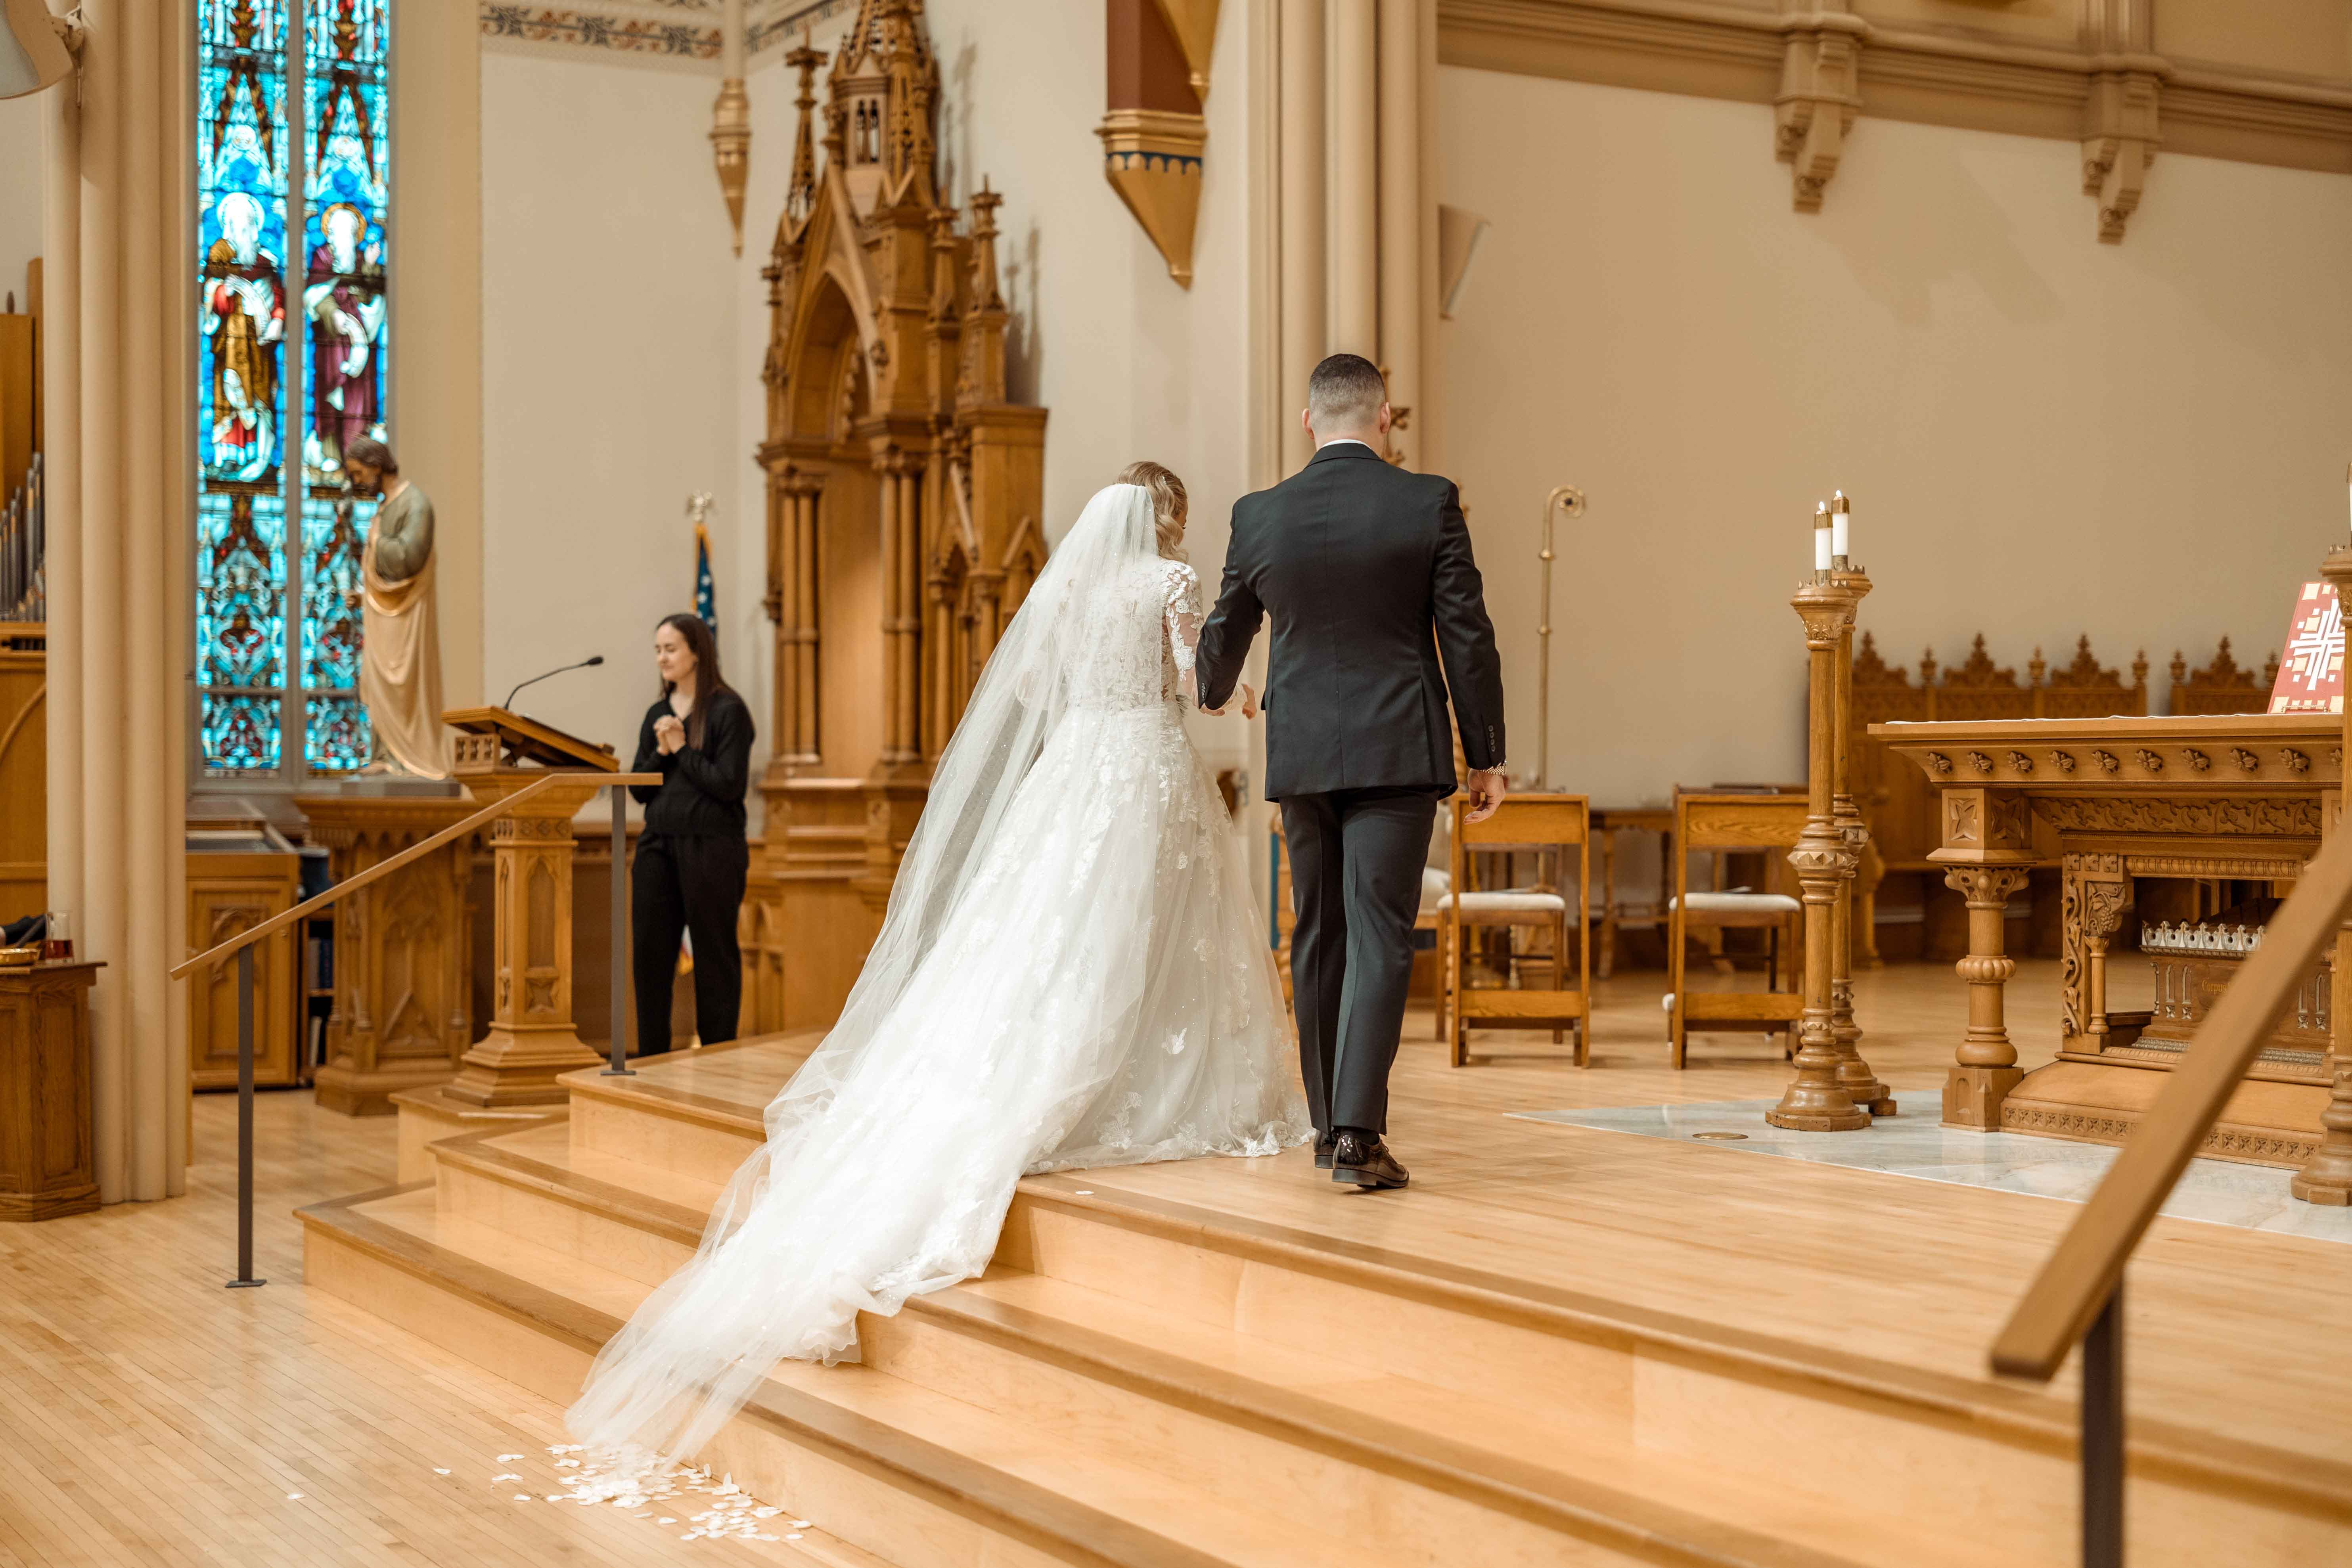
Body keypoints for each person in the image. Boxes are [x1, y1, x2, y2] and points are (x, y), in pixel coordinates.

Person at [567, 469, 1306, 1475]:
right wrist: (1253, 691)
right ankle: (1131, 1077)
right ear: (1168, 518)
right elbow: (1192, 684)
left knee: (1051, 941)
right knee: (1137, 936)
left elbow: (1046, 691)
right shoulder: (1169, 584)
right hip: (1139, 768)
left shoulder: (1074, 589)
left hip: (1073, 771)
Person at [1196, 352, 1507, 1193]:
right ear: (1383, 418)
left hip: (1300, 751)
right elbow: (1465, 634)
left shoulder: (1260, 515)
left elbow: (1227, 627)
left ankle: (1326, 1124)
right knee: (1377, 932)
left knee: (1317, 934)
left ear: (1308, 421)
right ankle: (1357, 1138)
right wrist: (1484, 754)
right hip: (1396, 748)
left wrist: (1211, 691)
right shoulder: (1425, 501)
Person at [628, 613, 756, 1055]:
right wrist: (663, 751)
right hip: (657, 846)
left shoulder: (728, 710)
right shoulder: (657, 714)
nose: (662, 658)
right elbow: (638, 790)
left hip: (712, 847)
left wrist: (682, 748)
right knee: (650, 956)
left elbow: (728, 786)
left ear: (697, 652)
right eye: (658, 650)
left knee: (714, 955)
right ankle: (649, 1060)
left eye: (671, 649)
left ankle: (719, 1057)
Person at [345, 438, 448, 779]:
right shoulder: (386, 506)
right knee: (378, 683)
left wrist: (375, 541)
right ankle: (385, 755)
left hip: (407, 620)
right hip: (384, 616)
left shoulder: (416, 504)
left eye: (359, 474)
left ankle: (409, 758)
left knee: (402, 683)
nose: (357, 482)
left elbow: (409, 558)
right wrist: (365, 596)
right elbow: (385, 573)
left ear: (376, 466)